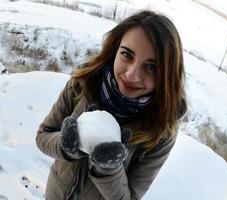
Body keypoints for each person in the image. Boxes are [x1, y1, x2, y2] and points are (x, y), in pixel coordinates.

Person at [36, 10, 187, 200]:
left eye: (151, 67)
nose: (132, 75)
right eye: (127, 55)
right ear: (115, 50)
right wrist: (65, 147)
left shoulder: (160, 131)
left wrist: (110, 170)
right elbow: (43, 136)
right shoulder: (82, 85)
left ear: (167, 74)